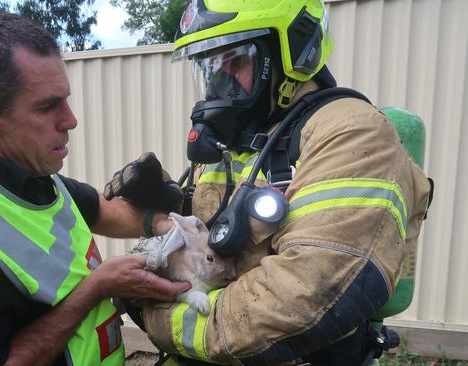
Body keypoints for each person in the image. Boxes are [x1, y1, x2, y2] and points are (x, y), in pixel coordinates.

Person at [104, 0, 432, 364]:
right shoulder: (245, 139)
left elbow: (298, 301)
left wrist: (151, 310)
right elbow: (215, 237)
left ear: (294, 49)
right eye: (209, 66)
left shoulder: (353, 134)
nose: (218, 82)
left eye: (235, 61)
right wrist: (165, 209)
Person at [0, 11, 190, 366]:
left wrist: (171, 225)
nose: (70, 120)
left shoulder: (16, 169)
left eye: (64, 99)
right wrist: (97, 286)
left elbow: (97, 208)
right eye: (48, 106)